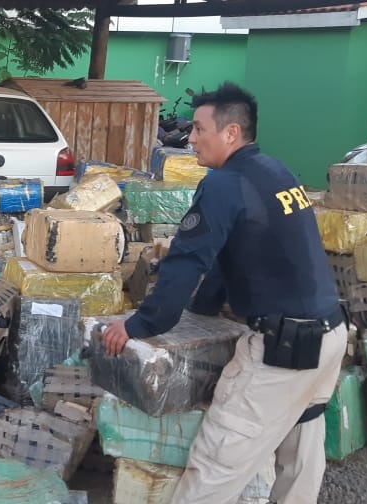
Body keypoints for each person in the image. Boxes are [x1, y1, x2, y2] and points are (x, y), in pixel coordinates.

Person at [101, 82, 345, 504]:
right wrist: (203, 310)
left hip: (281, 351)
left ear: (230, 133)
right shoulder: (274, 171)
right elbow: (230, 254)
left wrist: (140, 325)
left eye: (198, 130)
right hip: (328, 338)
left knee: (217, 462)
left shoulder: (223, 185)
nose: (189, 139)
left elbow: (186, 261)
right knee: (299, 457)